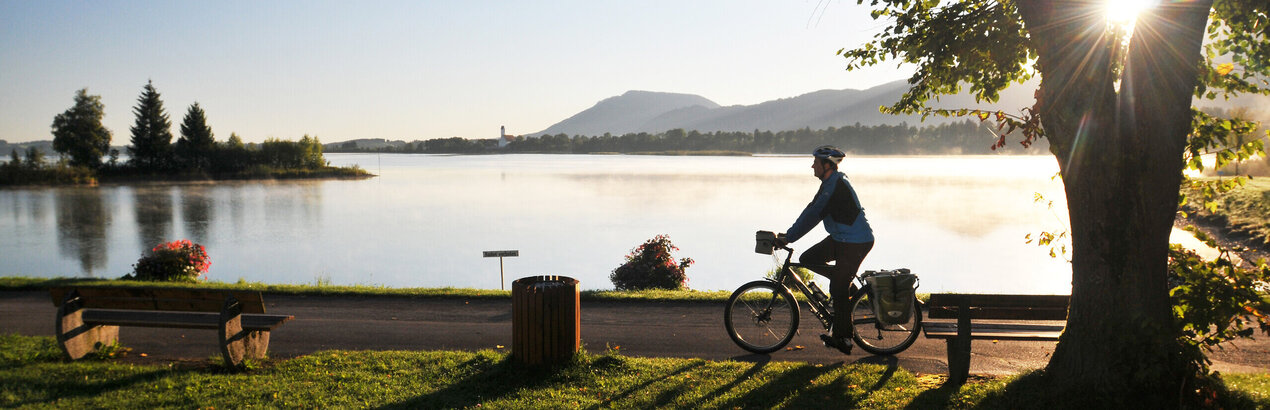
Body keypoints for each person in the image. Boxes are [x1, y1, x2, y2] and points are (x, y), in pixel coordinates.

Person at [774, 145, 874, 354]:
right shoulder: (830, 183)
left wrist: (789, 237)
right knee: (809, 258)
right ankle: (848, 290)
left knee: (837, 288)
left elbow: (814, 214)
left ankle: (844, 338)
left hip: (856, 241)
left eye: (816, 162)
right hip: (841, 238)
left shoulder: (834, 186)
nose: (812, 166)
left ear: (827, 165)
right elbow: (811, 209)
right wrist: (788, 234)